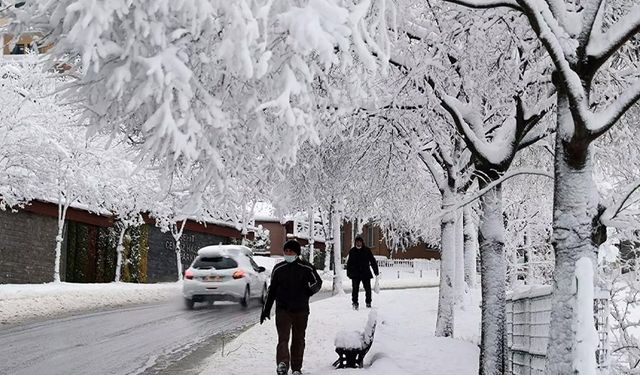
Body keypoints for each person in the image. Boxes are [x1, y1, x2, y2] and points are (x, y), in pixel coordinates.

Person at [260, 239, 323, 375]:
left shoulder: (306, 267)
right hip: (283, 309)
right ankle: (282, 364)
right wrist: (266, 309)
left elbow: (318, 282)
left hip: (301, 310)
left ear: (297, 253)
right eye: (286, 251)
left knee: (298, 339)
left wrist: (309, 291)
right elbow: (272, 290)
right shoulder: (279, 268)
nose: (287, 253)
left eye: (291, 251)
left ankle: (296, 368)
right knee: (283, 338)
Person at [346, 236, 379, 310]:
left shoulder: (367, 250)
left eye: (360, 241)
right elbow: (349, 263)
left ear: (362, 242)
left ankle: (368, 303)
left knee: (368, 289)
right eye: (357, 242)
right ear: (355, 243)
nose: (358, 243)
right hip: (355, 274)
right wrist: (349, 273)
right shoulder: (352, 251)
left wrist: (376, 271)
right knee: (355, 289)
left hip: (365, 273)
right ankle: (355, 303)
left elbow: (372, 261)